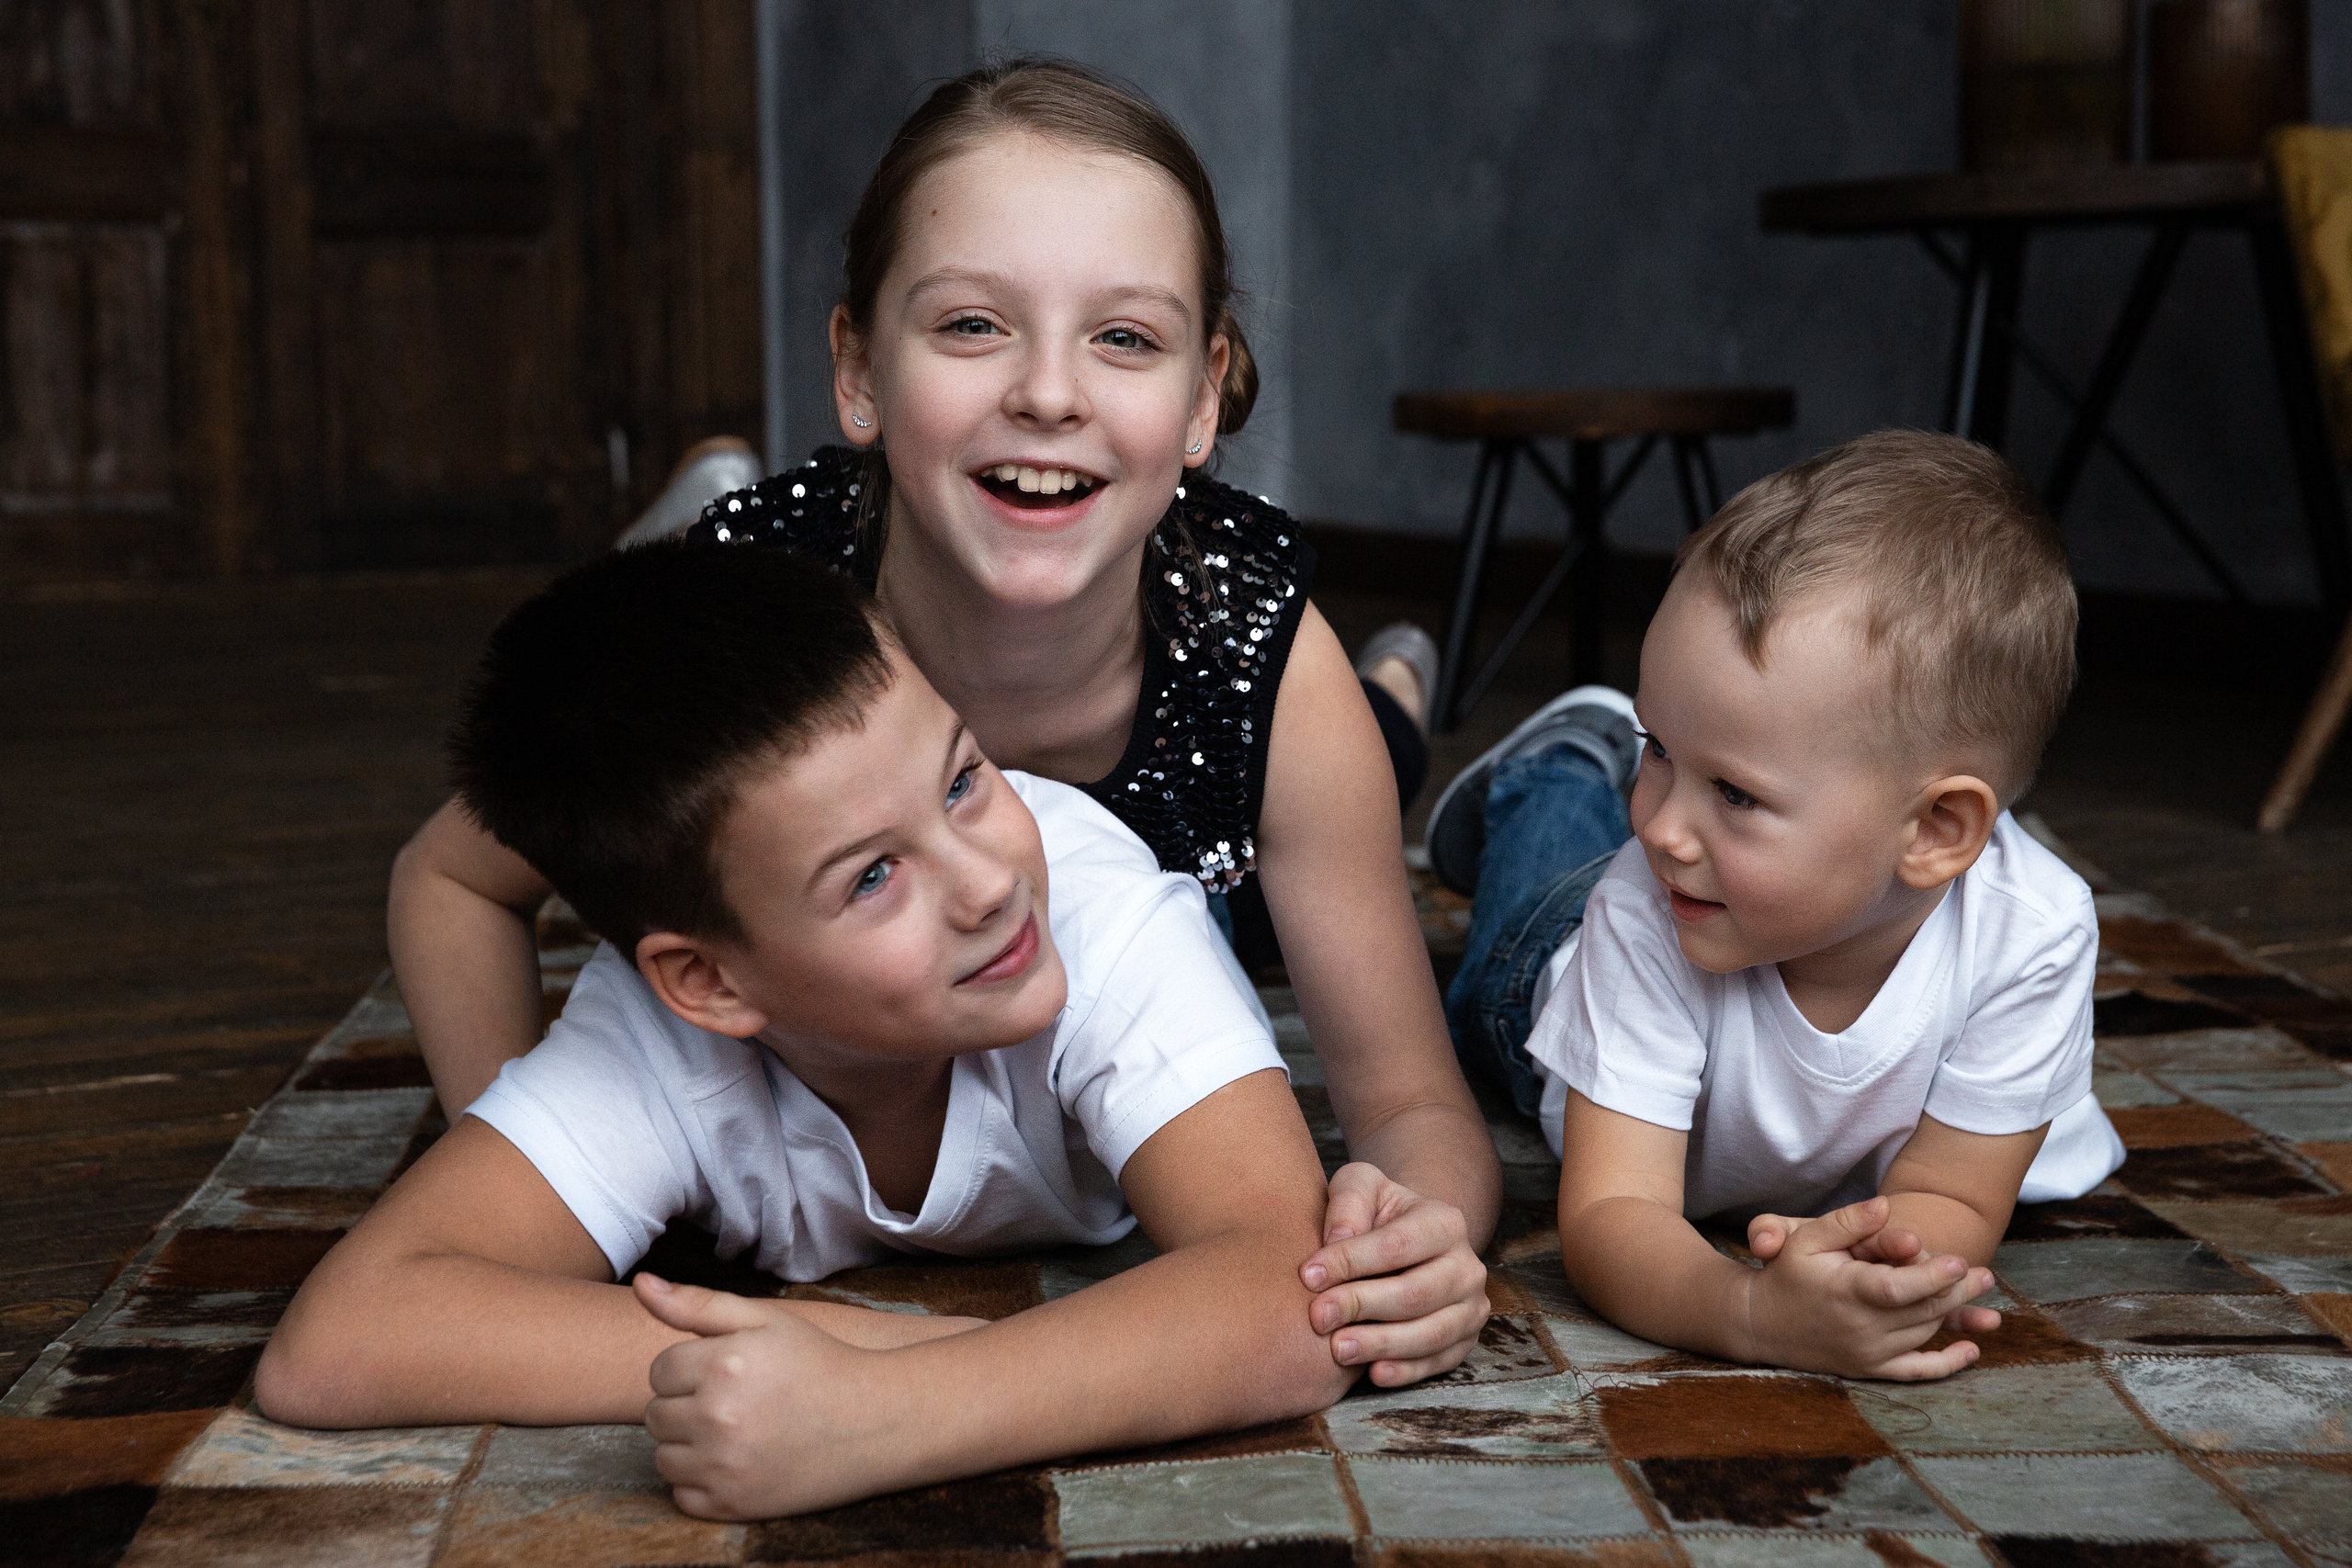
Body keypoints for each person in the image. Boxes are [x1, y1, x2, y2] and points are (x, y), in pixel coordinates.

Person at [386, 56, 1493, 1388]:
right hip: (799, 691)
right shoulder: (780, 620)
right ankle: (656, 555)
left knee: (1377, 751)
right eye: (974, 325)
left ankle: (1400, 685)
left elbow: (1412, 1104)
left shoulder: (1257, 651)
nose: (1048, 392)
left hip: (1214, 874)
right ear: (856, 369)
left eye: (1123, 338)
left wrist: (1419, 1223)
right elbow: (452, 873)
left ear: (1203, 401)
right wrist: (545, 1169)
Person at [257, 542, 1358, 1518]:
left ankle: (1400, 687)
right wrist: (855, 1341)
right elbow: (339, 1345)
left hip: (1201, 855)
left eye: (964, 778)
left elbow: (1290, 1295)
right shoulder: (655, 1043)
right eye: (873, 875)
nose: (982, 885)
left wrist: (890, 1405)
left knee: (1318, 812)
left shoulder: (1090, 908)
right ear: (708, 983)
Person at [1427, 430, 2126, 1382]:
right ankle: (1565, 761)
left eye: (1737, 793)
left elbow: (1951, 1201)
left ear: (1934, 832)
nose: (1664, 825)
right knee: (1504, 951)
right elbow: (1609, 1216)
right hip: (1554, 971)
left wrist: (1872, 1287)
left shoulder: (2031, 933)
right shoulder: (1643, 901)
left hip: (1705, 925)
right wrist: (1752, 1313)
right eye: (1658, 747)